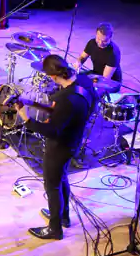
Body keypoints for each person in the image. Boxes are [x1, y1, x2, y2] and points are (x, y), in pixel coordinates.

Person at [15, 54, 96, 240]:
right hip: (73, 141)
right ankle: (63, 216)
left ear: (53, 76)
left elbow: (51, 131)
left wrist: (26, 118)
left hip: (60, 146)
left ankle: (54, 229)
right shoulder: (83, 83)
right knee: (61, 179)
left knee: (52, 186)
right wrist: (33, 104)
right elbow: (62, 114)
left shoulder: (65, 100)